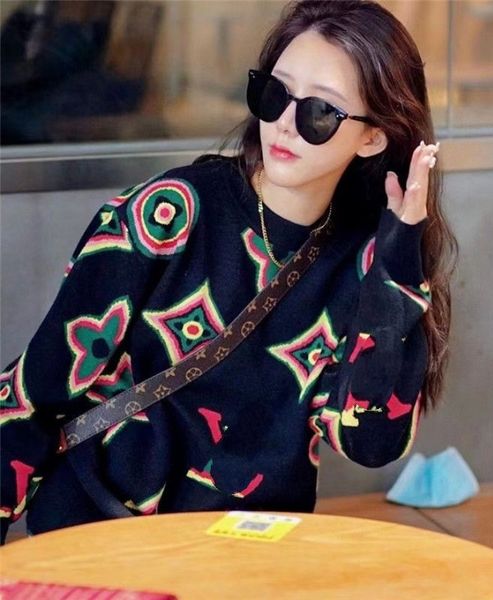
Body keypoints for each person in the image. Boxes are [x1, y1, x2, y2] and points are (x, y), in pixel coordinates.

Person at [0, 0, 458, 544]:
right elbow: (35, 391)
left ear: (372, 137)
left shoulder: (364, 266)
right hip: (100, 530)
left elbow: (371, 440)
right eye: (275, 94)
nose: (283, 124)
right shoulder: (168, 213)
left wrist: (398, 265)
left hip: (242, 551)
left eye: (319, 112)